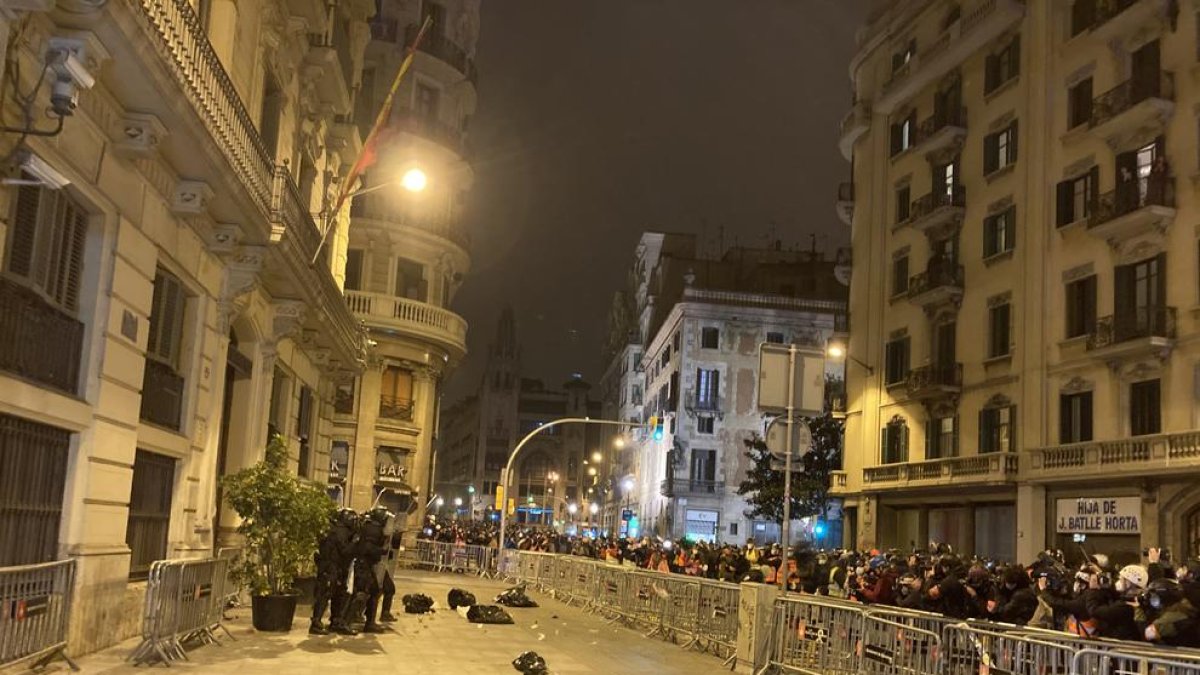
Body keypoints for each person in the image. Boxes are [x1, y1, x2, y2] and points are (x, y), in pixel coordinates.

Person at [311, 508, 358, 636]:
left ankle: (334, 621)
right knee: (326, 593)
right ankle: (316, 622)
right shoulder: (340, 532)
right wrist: (355, 543)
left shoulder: (334, 529)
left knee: (337, 593)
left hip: (332, 566)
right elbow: (345, 551)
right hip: (331, 566)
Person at [351, 507, 391, 633]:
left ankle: (358, 619)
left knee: (366, 591)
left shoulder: (369, 526)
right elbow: (368, 547)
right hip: (364, 564)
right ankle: (364, 621)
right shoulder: (374, 529)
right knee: (369, 591)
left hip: (364, 563)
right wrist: (382, 550)